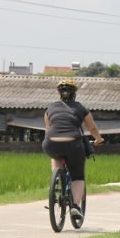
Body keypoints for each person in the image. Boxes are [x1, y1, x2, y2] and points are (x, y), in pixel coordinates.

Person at [43, 79, 104, 222]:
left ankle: (56, 180)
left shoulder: (50, 108)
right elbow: (92, 128)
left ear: (59, 93)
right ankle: (75, 205)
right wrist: (99, 139)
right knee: (77, 176)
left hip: (51, 143)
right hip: (73, 144)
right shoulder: (81, 108)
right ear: (74, 93)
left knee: (55, 155)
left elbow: (48, 128)